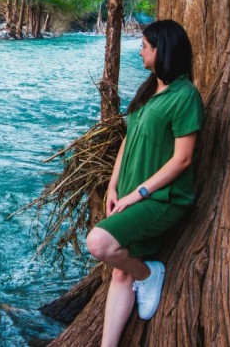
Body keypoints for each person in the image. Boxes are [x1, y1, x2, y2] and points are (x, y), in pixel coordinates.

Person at [85, 19, 204, 347]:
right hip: (131, 194)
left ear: (162, 50)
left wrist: (139, 194)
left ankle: (148, 274)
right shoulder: (151, 88)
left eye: (145, 46)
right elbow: (129, 137)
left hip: (163, 198)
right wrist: (113, 185)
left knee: (99, 244)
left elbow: (183, 159)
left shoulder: (185, 96)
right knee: (119, 272)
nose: (140, 51)